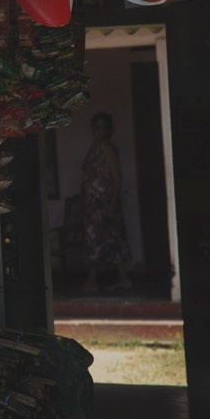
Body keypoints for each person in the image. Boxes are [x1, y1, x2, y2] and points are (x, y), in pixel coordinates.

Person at [81, 111, 132, 292]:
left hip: (105, 202)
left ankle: (114, 279)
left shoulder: (107, 149)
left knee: (112, 239)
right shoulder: (94, 149)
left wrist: (112, 203)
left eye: (101, 127)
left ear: (108, 129)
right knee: (95, 239)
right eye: (95, 126)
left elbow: (117, 177)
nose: (97, 131)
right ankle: (94, 280)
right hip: (93, 203)